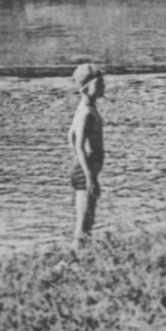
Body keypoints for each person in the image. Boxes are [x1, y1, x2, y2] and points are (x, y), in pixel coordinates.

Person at [68, 63, 107, 249]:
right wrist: (90, 177)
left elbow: (70, 135)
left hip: (85, 168)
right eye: (98, 85)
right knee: (84, 219)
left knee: (88, 217)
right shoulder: (86, 113)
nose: (103, 88)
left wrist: (75, 158)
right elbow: (79, 145)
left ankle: (82, 255)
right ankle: (70, 261)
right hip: (86, 171)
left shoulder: (84, 108)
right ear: (86, 88)